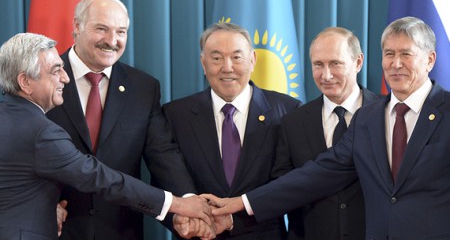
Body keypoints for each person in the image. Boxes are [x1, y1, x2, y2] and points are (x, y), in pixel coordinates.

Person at [205, 16, 450, 239]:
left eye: (406, 54)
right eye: (389, 54)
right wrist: (243, 202)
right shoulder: (368, 118)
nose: (396, 64)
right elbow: (318, 173)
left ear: (430, 59)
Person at [0, 32, 212, 240]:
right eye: (55, 71)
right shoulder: (42, 132)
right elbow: (100, 178)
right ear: (25, 82)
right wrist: (177, 204)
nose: (65, 78)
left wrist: (42, 207)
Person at [45, 0, 197, 240]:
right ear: (77, 26)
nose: (112, 40)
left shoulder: (143, 88)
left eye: (121, 32)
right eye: (101, 29)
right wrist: (38, 203)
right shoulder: (41, 79)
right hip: (56, 228)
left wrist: (187, 204)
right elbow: (16, 154)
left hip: (121, 230)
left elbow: (162, 154)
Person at [163, 22, 301, 239]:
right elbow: (165, 182)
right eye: (216, 58)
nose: (227, 67)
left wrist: (234, 221)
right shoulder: (175, 115)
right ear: (203, 63)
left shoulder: (287, 111)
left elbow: (289, 187)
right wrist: (180, 221)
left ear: (253, 59)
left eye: (237, 57)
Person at [271, 27, 380, 239]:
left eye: (335, 64)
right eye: (318, 65)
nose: (326, 75)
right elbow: (282, 182)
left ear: (358, 62)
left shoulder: (386, 114)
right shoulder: (293, 121)